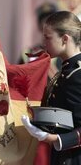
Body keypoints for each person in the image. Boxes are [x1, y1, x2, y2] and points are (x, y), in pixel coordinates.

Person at [22, 11, 81, 165]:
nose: (44, 43)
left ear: (65, 39)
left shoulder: (77, 74)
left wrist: (55, 139)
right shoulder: (67, 70)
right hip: (61, 156)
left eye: (48, 37)